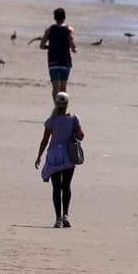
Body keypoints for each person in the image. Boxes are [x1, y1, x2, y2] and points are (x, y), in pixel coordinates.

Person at [34, 92, 85, 228]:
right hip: (68, 155)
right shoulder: (74, 118)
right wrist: (72, 133)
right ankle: (65, 215)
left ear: (56, 103)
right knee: (66, 186)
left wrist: (39, 156)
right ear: (67, 104)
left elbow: (45, 140)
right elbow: (81, 136)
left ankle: (58, 219)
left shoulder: (51, 120)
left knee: (56, 188)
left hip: (54, 156)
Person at [40, 8, 76, 98]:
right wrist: (74, 49)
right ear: (65, 17)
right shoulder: (69, 30)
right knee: (63, 89)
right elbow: (72, 46)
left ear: (54, 18)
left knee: (56, 88)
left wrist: (50, 47)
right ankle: (63, 105)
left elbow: (41, 45)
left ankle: (56, 105)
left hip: (53, 62)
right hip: (65, 62)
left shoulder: (49, 30)